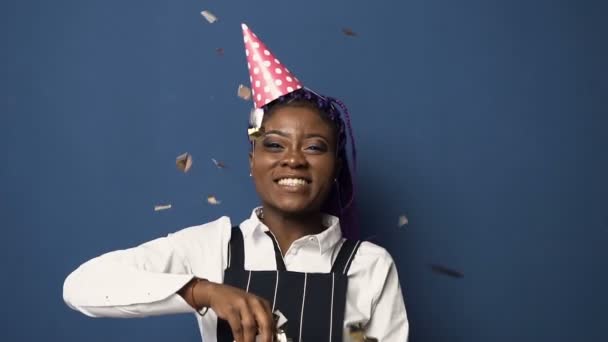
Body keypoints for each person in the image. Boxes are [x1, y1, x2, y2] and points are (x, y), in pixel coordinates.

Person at [63, 23, 408, 342]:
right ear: (252, 162)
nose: (294, 159)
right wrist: (205, 291)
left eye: (315, 147)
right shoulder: (213, 247)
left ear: (335, 168)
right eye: (274, 144)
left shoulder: (370, 265)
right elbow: (81, 287)